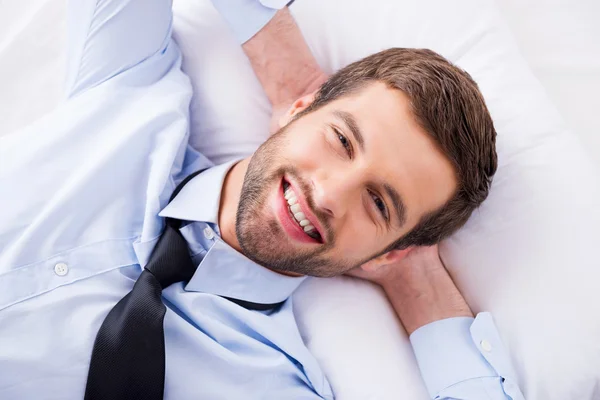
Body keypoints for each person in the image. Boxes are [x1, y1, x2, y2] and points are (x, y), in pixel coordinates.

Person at [0, 0, 525, 399]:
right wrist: (282, 62)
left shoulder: (273, 383)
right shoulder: (129, 90)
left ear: (389, 252)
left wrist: (418, 282)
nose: (327, 194)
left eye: (379, 204)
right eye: (341, 140)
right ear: (300, 109)